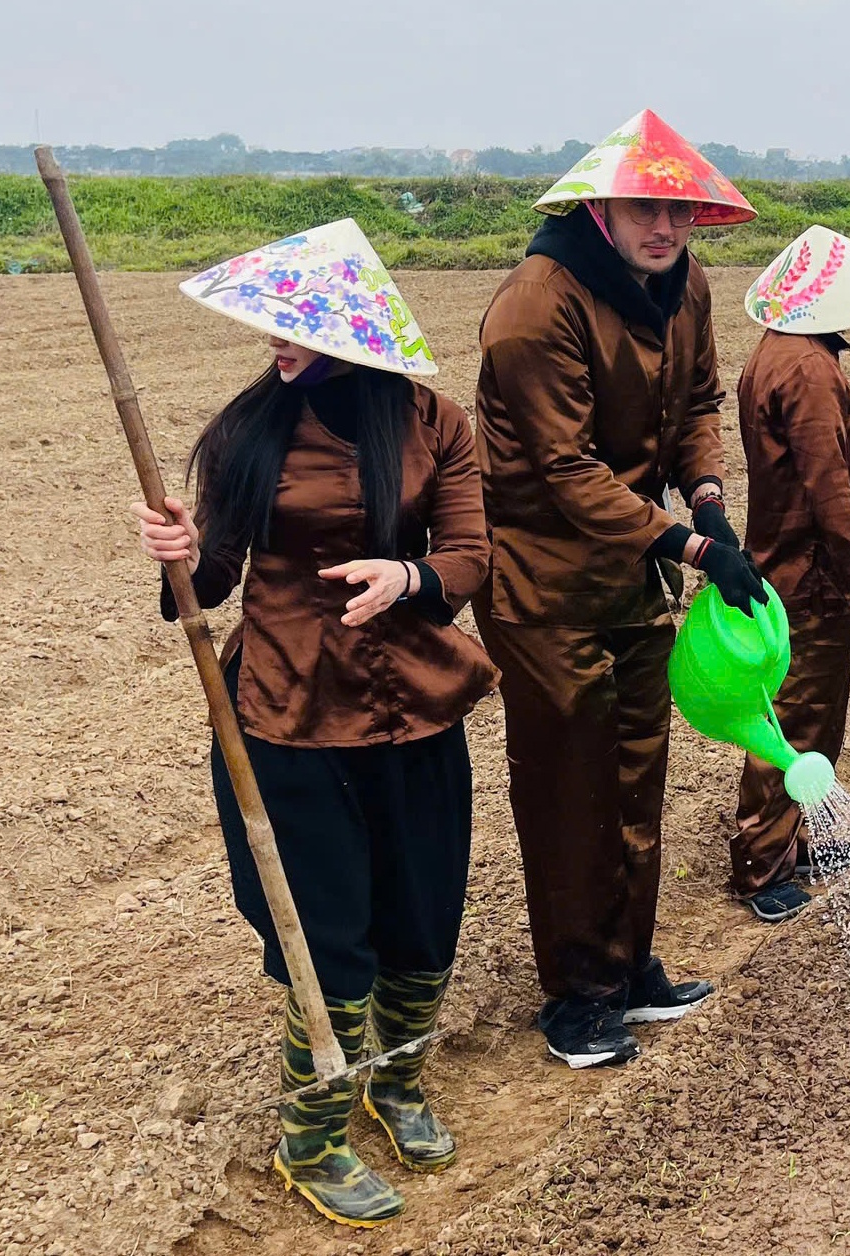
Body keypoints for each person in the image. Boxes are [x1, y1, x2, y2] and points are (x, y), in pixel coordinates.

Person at [143, 220, 498, 1226]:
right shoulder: (248, 434)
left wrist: (411, 575)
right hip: (288, 717)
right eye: (269, 326)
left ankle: (397, 1083)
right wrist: (179, 552)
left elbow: (472, 551)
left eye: (293, 325)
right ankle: (311, 1135)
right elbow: (209, 582)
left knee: (424, 921)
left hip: (416, 709)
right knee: (325, 936)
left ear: (354, 329)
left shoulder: (437, 423)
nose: (275, 341)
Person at [473, 110, 767, 1071]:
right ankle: (575, 994)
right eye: (647, 208)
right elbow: (562, 468)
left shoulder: (686, 287)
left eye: (680, 212)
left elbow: (698, 409)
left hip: (635, 570)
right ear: (601, 204)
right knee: (570, 787)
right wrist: (685, 544)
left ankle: (628, 964)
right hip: (544, 577)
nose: (665, 229)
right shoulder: (537, 301)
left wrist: (712, 504)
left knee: (638, 770)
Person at [733, 226, 850, 922]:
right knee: (794, 721)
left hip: (792, 567)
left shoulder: (778, 353)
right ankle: (761, 865)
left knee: (812, 715)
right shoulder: (806, 369)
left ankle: (795, 841)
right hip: (807, 575)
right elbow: (828, 489)